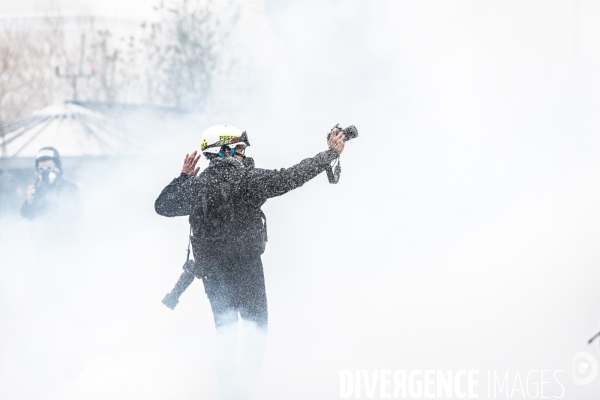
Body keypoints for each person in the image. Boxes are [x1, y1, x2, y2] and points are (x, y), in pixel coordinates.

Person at [155, 125, 346, 399]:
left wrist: (183, 178)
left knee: (226, 337)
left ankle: (228, 394)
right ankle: (243, 392)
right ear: (225, 150)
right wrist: (329, 154)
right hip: (247, 271)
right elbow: (293, 176)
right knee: (256, 336)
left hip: (212, 276)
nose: (244, 155)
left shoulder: (195, 187)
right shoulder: (248, 182)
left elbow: (162, 205)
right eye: (241, 149)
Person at [21, 147, 82, 238]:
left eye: (49, 168)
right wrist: (29, 202)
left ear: (57, 168)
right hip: (41, 245)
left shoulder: (69, 188)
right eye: (41, 169)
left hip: (66, 243)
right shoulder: (36, 190)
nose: (45, 172)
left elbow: (77, 216)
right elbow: (25, 214)